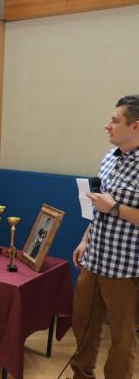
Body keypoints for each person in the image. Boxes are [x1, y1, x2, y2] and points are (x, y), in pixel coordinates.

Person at [72, 95, 139, 379]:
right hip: (94, 261)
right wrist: (85, 239)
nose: (107, 126)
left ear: (135, 126)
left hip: (125, 270)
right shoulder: (109, 158)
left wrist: (114, 207)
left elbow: (109, 207)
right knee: (83, 326)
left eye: (114, 120)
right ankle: (81, 375)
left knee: (122, 339)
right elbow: (99, 207)